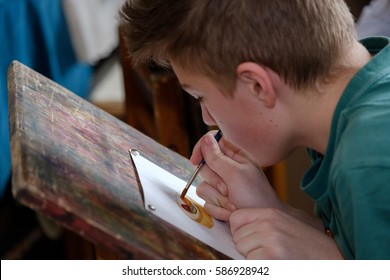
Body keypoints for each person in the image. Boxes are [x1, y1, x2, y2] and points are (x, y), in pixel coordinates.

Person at [118, 0, 390, 259]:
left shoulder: (368, 160)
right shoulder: (348, 109)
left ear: (257, 86)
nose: (207, 118)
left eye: (201, 96)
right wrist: (275, 211)